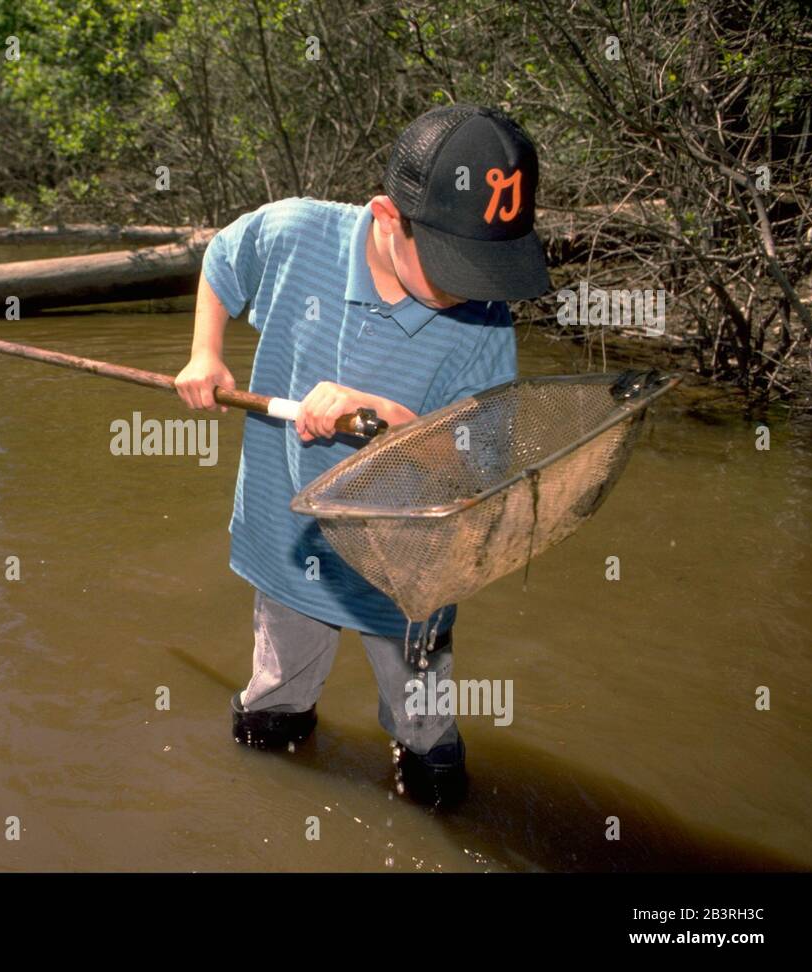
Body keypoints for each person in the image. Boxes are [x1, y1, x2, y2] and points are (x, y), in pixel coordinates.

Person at [174, 104, 551, 808]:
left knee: (427, 728)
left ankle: (430, 781)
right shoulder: (295, 231)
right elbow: (225, 260)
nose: (470, 287)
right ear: (386, 216)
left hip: (408, 554)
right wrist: (206, 353)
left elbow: (484, 454)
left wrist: (398, 421)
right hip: (291, 529)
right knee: (273, 707)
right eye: (451, 264)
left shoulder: (483, 320)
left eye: (486, 265)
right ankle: (277, 764)